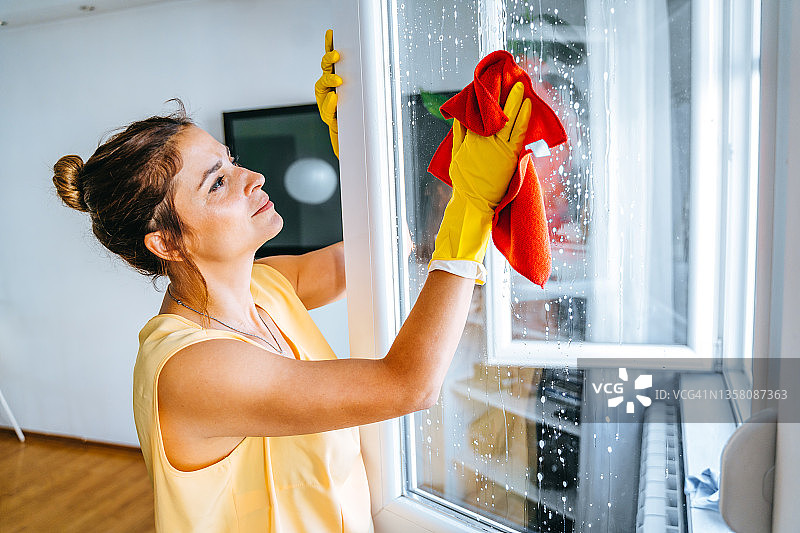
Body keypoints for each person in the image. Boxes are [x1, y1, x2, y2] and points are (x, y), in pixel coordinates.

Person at [52, 29, 532, 533]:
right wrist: (473, 205)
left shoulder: (267, 285)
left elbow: (389, 248)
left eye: (231, 161)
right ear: (168, 244)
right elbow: (408, 384)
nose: (252, 177)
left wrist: (360, 148)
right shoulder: (194, 369)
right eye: (217, 182)